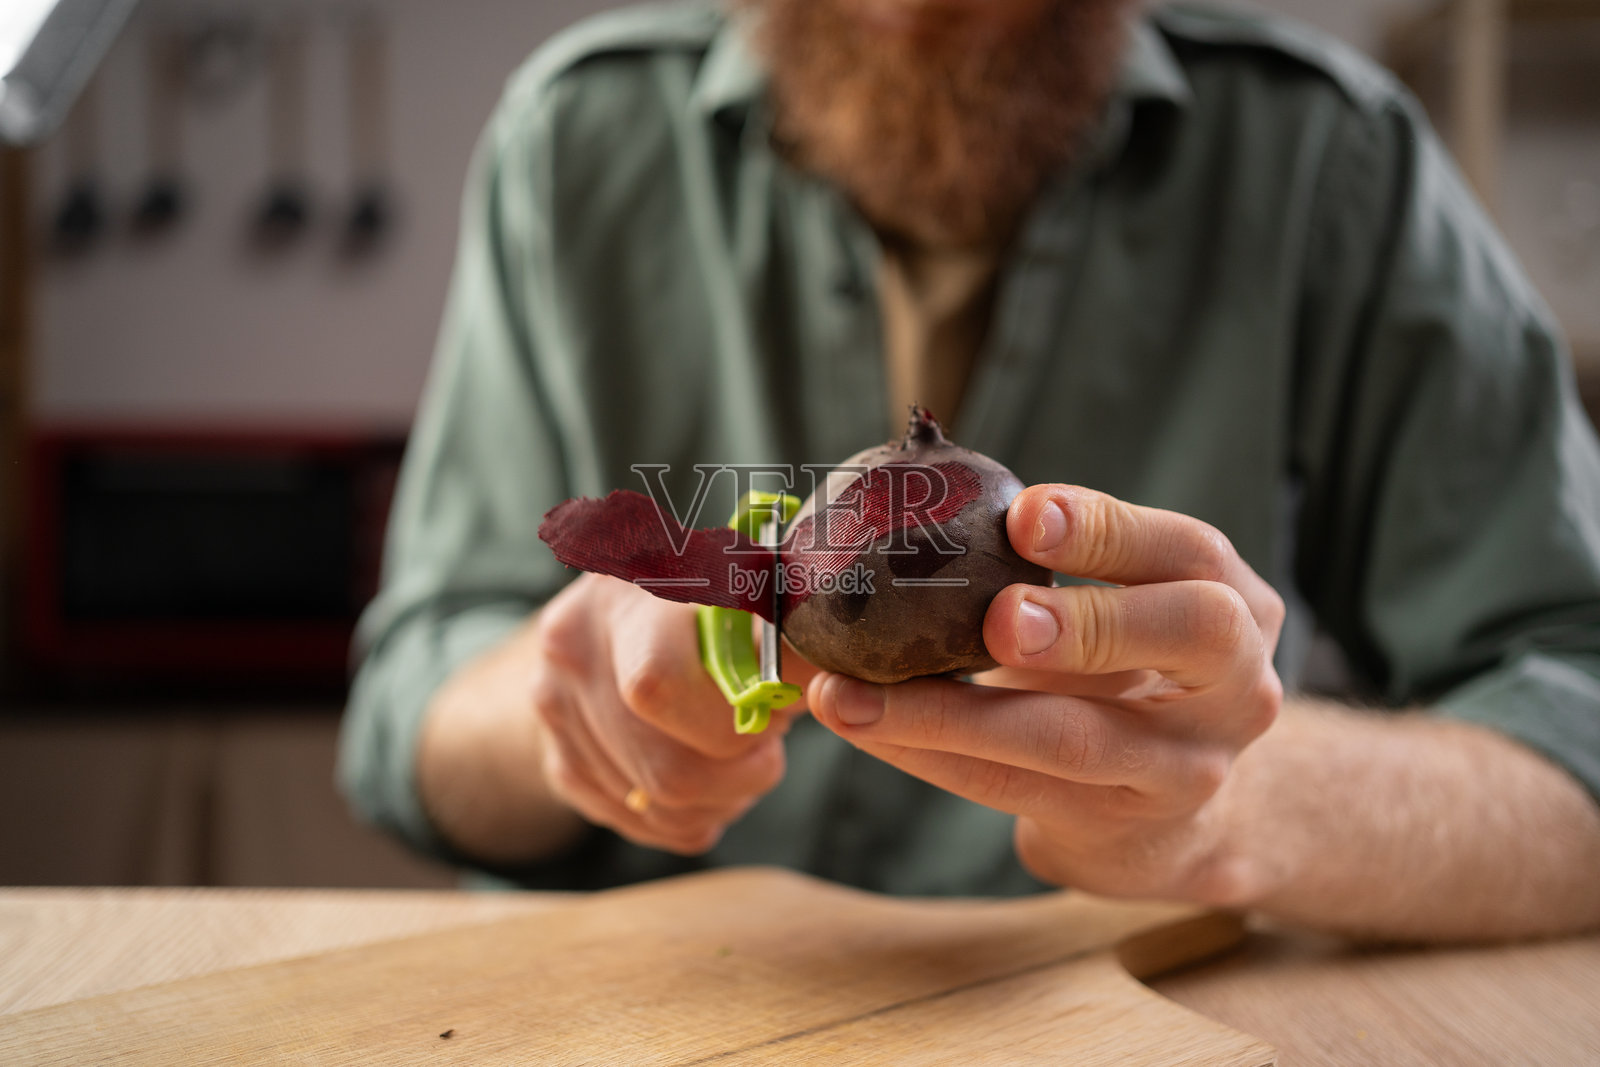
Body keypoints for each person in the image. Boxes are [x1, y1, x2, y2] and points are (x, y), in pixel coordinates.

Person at [339, 0, 1600, 941]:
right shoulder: (575, 140)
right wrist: (557, 705)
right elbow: (409, 708)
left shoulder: (1334, 164)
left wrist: (1232, 804)